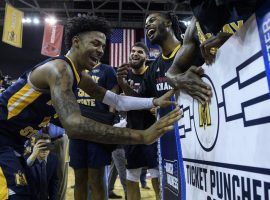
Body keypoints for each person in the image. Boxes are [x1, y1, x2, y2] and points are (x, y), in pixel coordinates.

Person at [0, 15, 181, 199]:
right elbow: (75, 125)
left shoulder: (77, 74)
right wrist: (142, 136)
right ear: (76, 41)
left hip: (15, 142)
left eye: (103, 46)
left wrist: (153, 102)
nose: (101, 50)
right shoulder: (59, 69)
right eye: (95, 43)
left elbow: (116, 100)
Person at [166, 0, 262, 95]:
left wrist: (237, 39)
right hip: (236, 93)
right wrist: (179, 80)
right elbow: (171, 72)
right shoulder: (195, 26)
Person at [69, 61, 119, 200]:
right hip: (77, 129)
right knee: (79, 179)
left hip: (98, 129)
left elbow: (114, 95)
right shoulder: (76, 70)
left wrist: (110, 119)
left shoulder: (107, 70)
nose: (98, 50)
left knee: (96, 178)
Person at [118, 42, 161, 200]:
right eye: (133, 51)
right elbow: (117, 104)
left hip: (153, 131)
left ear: (146, 56)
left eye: (140, 52)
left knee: (157, 174)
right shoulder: (124, 76)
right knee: (132, 176)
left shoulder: (153, 74)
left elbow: (157, 100)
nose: (135, 54)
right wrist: (120, 102)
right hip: (132, 132)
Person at [25, 134, 59, 200]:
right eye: (41, 146)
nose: (44, 150)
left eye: (47, 146)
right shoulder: (26, 158)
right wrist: (33, 156)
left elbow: (54, 182)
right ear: (34, 147)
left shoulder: (53, 158)